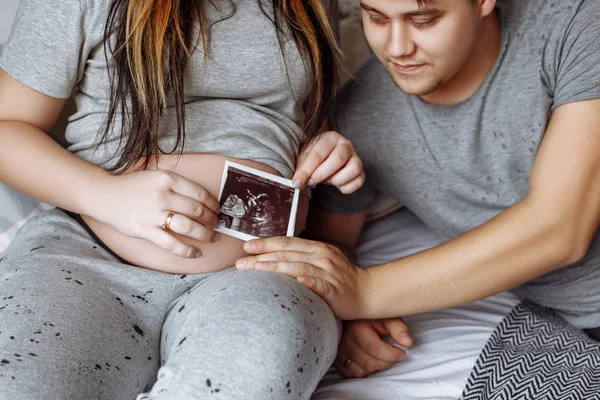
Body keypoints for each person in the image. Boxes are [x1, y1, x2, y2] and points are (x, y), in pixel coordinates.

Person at [0, 0, 367, 398]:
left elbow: (295, 113)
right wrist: (105, 196)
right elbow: (7, 129)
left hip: (263, 269)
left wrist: (325, 147)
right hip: (86, 255)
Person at [235, 0, 600, 379]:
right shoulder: (358, 118)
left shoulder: (576, 25)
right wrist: (351, 312)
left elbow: (560, 230)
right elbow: (335, 249)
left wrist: (366, 293)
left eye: (423, 21)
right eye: (375, 18)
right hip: (559, 322)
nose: (396, 48)